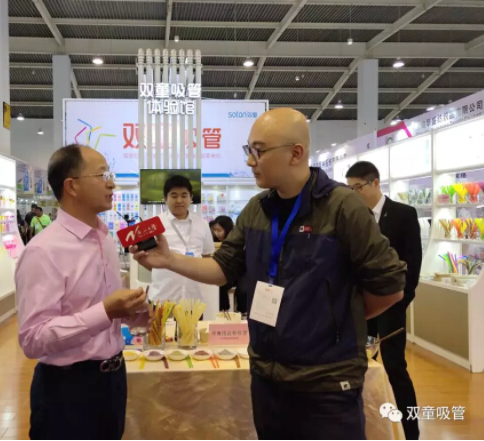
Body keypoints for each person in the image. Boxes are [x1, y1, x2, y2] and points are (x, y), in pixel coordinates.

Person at [132, 108, 407, 439]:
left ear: (296, 153)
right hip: (267, 377)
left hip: (326, 382)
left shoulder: (342, 207)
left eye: (259, 151)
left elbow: (390, 286)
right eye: (249, 150)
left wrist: (334, 322)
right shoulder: (257, 209)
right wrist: (169, 260)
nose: (251, 161)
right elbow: (223, 267)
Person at [15, 144, 152, 440]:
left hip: (113, 379)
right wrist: (106, 312)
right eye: (102, 175)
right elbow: (33, 339)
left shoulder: (104, 239)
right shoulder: (43, 251)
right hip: (67, 390)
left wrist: (133, 314)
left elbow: (105, 309)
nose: (111, 183)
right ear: (72, 186)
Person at [346, 161, 422, 440]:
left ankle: (411, 432)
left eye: (357, 187)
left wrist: (398, 303)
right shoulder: (351, 216)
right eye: (349, 189)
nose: (354, 194)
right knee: (360, 367)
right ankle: (365, 429)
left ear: (375, 183)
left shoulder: (403, 214)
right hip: (360, 310)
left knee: (395, 368)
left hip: (391, 308)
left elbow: (412, 265)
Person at [148, 175, 215, 303]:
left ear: (191, 198)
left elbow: (206, 257)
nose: (179, 200)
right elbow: (148, 258)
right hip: (162, 299)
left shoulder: (202, 224)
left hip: (194, 301)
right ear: (165, 199)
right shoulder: (154, 224)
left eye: (184, 195)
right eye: (174, 196)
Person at [211, 216, 236, 311]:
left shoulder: (234, 241)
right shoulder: (213, 241)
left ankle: (223, 309)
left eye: (219, 230)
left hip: (233, 273)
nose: (216, 233)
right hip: (219, 271)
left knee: (221, 283)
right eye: (215, 230)